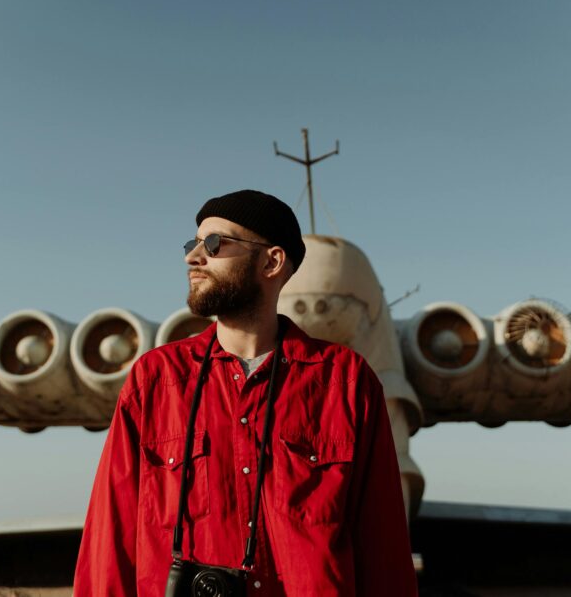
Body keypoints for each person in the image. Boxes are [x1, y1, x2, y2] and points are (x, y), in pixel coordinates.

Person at [73, 189, 418, 596]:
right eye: (193, 243)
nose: (193, 257)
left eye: (215, 244)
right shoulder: (156, 380)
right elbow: (109, 539)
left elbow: (383, 548)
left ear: (271, 261)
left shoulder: (346, 383)